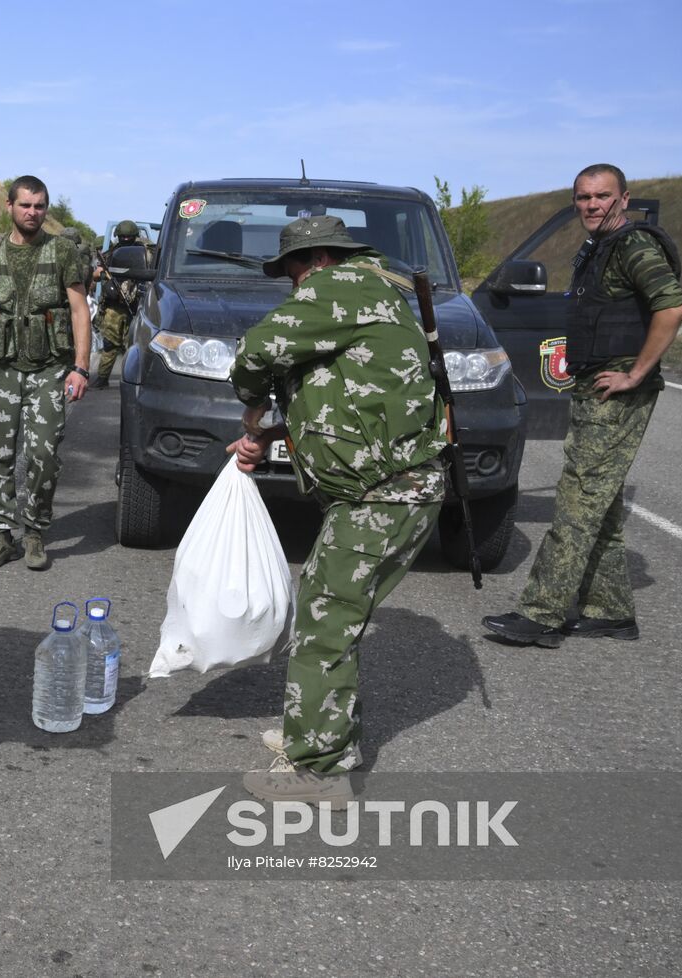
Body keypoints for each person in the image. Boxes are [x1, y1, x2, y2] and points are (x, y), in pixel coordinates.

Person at [226, 216, 446, 805]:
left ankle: (317, 773)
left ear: (317, 259)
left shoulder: (336, 286)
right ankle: (319, 735)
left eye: (293, 272)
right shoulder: (381, 290)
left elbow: (254, 352)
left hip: (382, 495)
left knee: (323, 623)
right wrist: (272, 431)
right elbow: (348, 397)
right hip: (397, 488)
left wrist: (251, 400)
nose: (293, 287)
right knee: (331, 614)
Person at [483, 164, 682, 648]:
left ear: (624, 197)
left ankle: (542, 614)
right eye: (582, 198)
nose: (591, 205)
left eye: (601, 196)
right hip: (593, 388)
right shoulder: (599, 248)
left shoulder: (636, 246)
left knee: (576, 502)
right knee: (602, 505)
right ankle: (610, 610)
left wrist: (635, 373)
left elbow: (673, 306)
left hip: (616, 394)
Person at [0, 175, 92, 570]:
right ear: (9, 206)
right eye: (25, 205)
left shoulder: (62, 252)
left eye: (39, 206)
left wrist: (81, 368)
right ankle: (1, 535)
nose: (32, 212)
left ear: (46, 210)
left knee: (43, 453)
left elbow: (79, 311)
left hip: (49, 369)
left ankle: (35, 531)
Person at [91, 219, 152, 388]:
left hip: (136, 304)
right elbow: (97, 274)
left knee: (134, 346)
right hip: (115, 305)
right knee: (110, 343)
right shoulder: (111, 254)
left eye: (127, 236)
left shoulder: (146, 253)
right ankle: (103, 378)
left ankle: (134, 381)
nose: (125, 239)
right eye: (123, 237)